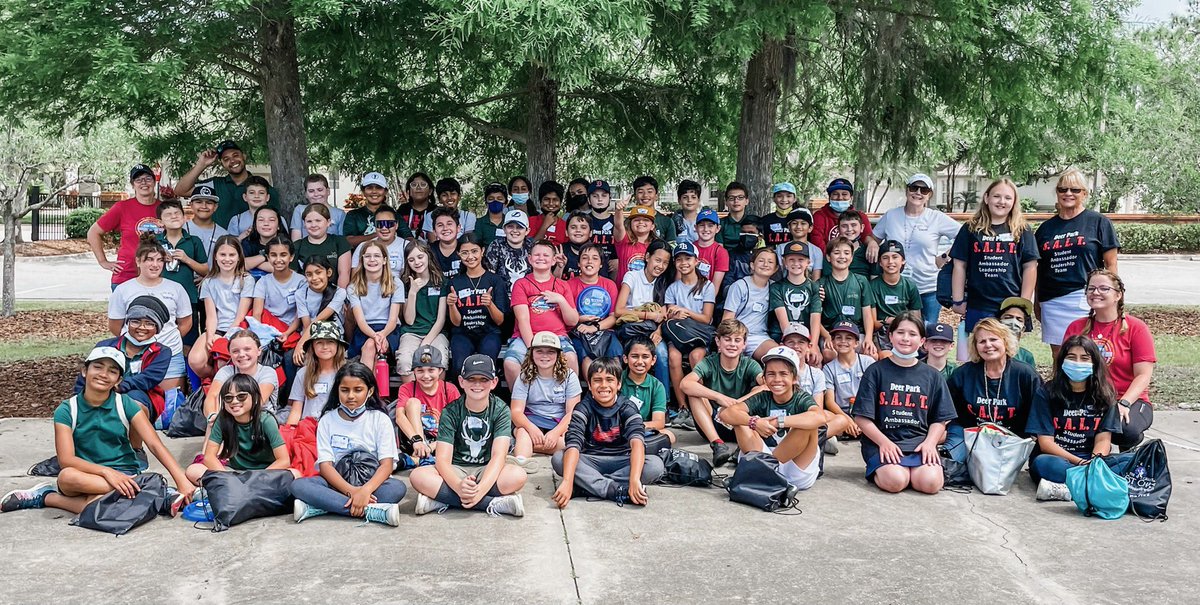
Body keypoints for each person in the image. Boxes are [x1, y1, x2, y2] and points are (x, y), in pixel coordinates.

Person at [2, 346, 194, 516]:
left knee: (98, 504)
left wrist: (181, 480)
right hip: (85, 477)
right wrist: (107, 472)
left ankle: (47, 497)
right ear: (85, 371)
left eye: (112, 371)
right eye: (98, 367)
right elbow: (66, 460)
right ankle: (150, 492)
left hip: (125, 472)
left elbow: (154, 443)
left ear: (118, 379)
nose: (103, 374)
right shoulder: (67, 409)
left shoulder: (125, 404)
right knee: (66, 476)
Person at [719, 346, 851, 491]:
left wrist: (779, 421)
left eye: (783, 374)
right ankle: (767, 474)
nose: (777, 379)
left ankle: (761, 474)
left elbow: (819, 417)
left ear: (794, 378)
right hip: (765, 457)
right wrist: (754, 422)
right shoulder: (762, 397)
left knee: (808, 425)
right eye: (771, 374)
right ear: (764, 378)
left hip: (795, 467)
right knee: (741, 421)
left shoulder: (801, 398)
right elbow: (727, 413)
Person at [409, 354, 526, 517]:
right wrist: (458, 486)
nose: (477, 384)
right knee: (417, 476)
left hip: (486, 468)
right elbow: (442, 460)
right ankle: (492, 503)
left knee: (517, 475)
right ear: (461, 381)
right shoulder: (451, 411)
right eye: (471, 379)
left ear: (494, 383)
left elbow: (498, 456)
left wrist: (481, 488)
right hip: (456, 469)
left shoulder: (500, 410)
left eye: (484, 380)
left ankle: (443, 500)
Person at [291, 362, 406, 526]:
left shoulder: (380, 419)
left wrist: (365, 491)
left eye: (358, 390)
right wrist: (352, 492)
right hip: (337, 484)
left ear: (370, 391)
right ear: (337, 390)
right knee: (299, 485)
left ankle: (323, 507)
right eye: (345, 390)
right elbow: (325, 466)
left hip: (371, 484)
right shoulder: (327, 420)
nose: (351, 396)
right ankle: (372, 511)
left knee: (397, 487)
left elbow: (386, 465)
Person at [853, 312, 956, 494]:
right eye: (900, 332)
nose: (906, 338)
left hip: (919, 443)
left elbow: (940, 419)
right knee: (895, 481)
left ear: (922, 341)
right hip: (883, 442)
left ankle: (914, 471)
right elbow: (861, 417)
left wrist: (930, 444)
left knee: (930, 484)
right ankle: (897, 471)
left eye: (912, 334)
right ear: (891, 336)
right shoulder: (875, 371)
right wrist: (884, 443)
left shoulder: (932, 376)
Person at [551, 358, 665, 508]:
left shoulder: (628, 407)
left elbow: (637, 442)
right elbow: (573, 443)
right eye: (597, 380)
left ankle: (586, 486)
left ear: (618, 384)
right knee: (559, 459)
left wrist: (634, 480)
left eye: (609, 380)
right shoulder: (583, 408)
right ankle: (614, 491)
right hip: (590, 460)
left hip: (622, 460)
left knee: (655, 465)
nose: (603, 385)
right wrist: (566, 482)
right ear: (590, 386)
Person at [1063, 269, 1156, 449]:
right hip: (1088, 399)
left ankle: (1128, 454)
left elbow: (1143, 375)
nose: (1095, 292)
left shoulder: (1136, 328)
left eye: (1103, 288)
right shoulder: (1076, 327)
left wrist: (1124, 403)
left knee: (1125, 429)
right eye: (1091, 289)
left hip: (1128, 398)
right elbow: (1064, 367)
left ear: (1118, 295)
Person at [1025, 335, 1123, 501]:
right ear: (1062, 361)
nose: (1078, 363)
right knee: (1043, 464)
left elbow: (1103, 440)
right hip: (1058, 459)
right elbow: (1046, 443)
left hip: (1091, 458)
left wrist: (1094, 463)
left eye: (1085, 358)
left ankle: (1071, 488)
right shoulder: (1046, 393)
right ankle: (1093, 486)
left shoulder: (1105, 395)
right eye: (1071, 357)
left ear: (1095, 363)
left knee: (1127, 462)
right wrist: (1079, 463)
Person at [1035, 169, 1120, 355]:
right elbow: (1039, 270)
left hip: (1086, 297)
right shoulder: (1045, 229)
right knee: (1059, 356)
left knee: (1089, 353)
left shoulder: (1099, 222)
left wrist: (1113, 296)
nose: (1068, 194)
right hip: (1052, 301)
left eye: (1074, 189)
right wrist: (1037, 302)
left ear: (1084, 193)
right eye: (1063, 189)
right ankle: (1061, 386)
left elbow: (1111, 264)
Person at [78, 296, 173, 461]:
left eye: (149, 323)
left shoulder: (162, 352)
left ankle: (135, 449)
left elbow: (149, 379)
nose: (142, 328)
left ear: (157, 328)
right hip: (103, 392)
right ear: (128, 323)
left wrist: (119, 386)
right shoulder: (105, 346)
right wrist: (78, 398)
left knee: (134, 404)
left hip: (142, 395)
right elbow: (87, 375)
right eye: (136, 321)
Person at [944, 318, 1044, 463]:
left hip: (1012, 438)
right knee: (951, 462)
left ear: (1005, 341)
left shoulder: (1025, 374)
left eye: (993, 339)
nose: (988, 345)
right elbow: (946, 409)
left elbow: (1039, 413)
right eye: (982, 341)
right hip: (969, 435)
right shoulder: (963, 374)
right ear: (976, 346)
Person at [949, 178, 1038, 336]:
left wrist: (1023, 304)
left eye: (1008, 198)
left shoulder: (1022, 230)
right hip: (979, 304)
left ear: (1014, 202)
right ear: (986, 198)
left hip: (1011, 305)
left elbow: (1030, 267)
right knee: (979, 351)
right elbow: (959, 265)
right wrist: (958, 300)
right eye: (997, 196)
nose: (1002, 201)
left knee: (1008, 353)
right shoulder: (970, 229)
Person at [870, 173, 962, 323]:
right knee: (898, 333)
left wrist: (945, 256)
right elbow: (872, 237)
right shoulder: (891, 216)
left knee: (927, 333)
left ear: (929, 195)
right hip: (896, 287)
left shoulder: (936, 217)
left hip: (927, 287)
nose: (918, 193)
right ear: (907, 191)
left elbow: (964, 235)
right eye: (914, 188)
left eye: (924, 190)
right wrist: (873, 243)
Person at [108, 239, 192, 391]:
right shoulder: (123, 290)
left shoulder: (176, 288)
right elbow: (115, 326)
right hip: (133, 356)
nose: (155, 265)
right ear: (138, 261)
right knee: (134, 401)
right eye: (150, 259)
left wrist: (165, 340)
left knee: (171, 404)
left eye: (160, 260)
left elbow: (186, 322)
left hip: (170, 354)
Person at [680, 319, 762, 467]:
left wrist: (737, 404)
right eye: (727, 339)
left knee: (759, 390)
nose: (732, 344)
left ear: (744, 345)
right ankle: (717, 445)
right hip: (714, 420)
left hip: (741, 422)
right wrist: (720, 398)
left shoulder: (750, 364)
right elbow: (685, 383)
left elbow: (769, 386)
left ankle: (742, 448)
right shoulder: (709, 362)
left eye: (737, 340)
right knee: (694, 391)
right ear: (718, 342)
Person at [185, 374, 291, 485]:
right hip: (234, 473)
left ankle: (228, 488)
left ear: (255, 398)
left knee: (294, 474)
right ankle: (235, 487)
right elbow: (209, 457)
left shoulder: (266, 420)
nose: (234, 401)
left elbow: (284, 460)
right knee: (193, 470)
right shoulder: (222, 419)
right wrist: (230, 478)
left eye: (241, 396)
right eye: (228, 398)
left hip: (264, 473)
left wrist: (256, 479)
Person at [503, 240, 580, 389]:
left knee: (570, 358)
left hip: (558, 336)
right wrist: (533, 348)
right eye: (537, 255)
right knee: (510, 364)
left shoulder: (562, 285)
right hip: (526, 336)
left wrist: (561, 300)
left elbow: (572, 321)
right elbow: (523, 319)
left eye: (546, 255)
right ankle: (521, 406)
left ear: (553, 261)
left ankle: (570, 405)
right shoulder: (521, 284)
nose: (541, 258)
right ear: (530, 259)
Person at [510, 332, 584, 460]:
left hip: (559, 423)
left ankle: (527, 447)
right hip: (532, 420)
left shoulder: (569, 376)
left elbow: (572, 413)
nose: (545, 356)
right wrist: (532, 429)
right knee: (522, 432)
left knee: (571, 443)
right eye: (539, 351)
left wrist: (556, 433)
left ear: (558, 355)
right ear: (532, 353)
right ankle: (522, 463)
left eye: (551, 352)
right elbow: (516, 412)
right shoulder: (524, 376)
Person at [189, 235, 254, 379]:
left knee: (222, 360)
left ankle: (224, 386)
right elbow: (211, 316)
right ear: (215, 257)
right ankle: (213, 380)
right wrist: (211, 336)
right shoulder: (209, 282)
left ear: (239, 257)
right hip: (217, 328)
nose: (227, 259)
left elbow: (240, 316)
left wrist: (226, 337)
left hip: (239, 328)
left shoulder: (246, 280)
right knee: (195, 360)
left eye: (232, 255)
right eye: (222, 254)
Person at [175, 140, 280, 228]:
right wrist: (202, 164)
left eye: (235, 155)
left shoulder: (262, 188)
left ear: (244, 156)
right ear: (222, 164)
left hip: (252, 248)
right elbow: (180, 190)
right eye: (226, 159)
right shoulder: (214, 184)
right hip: (221, 248)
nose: (232, 161)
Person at [88, 164, 162, 289]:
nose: (144, 183)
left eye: (148, 178)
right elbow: (93, 232)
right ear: (133, 185)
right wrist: (103, 261)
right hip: (126, 275)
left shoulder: (164, 208)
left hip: (157, 275)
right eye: (138, 180)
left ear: (154, 182)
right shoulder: (122, 207)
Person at [663, 241, 716, 412]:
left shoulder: (707, 285)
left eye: (688, 258)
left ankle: (703, 405)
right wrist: (675, 314)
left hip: (698, 334)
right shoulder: (672, 288)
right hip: (678, 334)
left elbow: (707, 318)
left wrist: (685, 311)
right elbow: (669, 316)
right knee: (673, 357)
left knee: (696, 357)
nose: (684, 263)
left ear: (696, 261)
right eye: (679, 259)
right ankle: (683, 406)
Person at [447, 236, 509, 377]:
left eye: (474, 251)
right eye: (464, 253)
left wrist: (489, 304)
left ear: (482, 251)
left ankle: (488, 397)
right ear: (458, 254)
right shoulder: (454, 283)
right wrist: (451, 305)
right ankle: (462, 398)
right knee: (459, 366)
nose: (470, 256)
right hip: (462, 334)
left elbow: (500, 320)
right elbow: (456, 322)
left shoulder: (495, 280)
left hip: (489, 333)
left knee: (487, 364)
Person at [614, 239, 672, 389]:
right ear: (647, 257)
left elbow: (665, 315)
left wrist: (659, 331)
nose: (660, 266)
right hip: (632, 329)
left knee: (662, 354)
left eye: (665, 263)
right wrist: (649, 315)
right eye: (657, 260)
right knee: (623, 355)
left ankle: (663, 402)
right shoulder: (632, 276)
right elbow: (619, 310)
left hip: (652, 330)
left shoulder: (664, 282)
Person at [394, 345, 461, 465]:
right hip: (415, 440)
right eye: (420, 371)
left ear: (440, 370)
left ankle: (417, 459)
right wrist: (418, 441)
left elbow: (457, 426)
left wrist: (431, 447)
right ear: (413, 371)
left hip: (442, 441)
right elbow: (399, 417)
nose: (426, 376)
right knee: (413, 402)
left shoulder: (449, 389)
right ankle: (423, 455)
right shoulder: (407, 388)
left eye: (431, 370)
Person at [564, 242, 623, 377]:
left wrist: (595, 327)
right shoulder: (569, 285)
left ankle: (613, 392)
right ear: (578, 263)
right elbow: (565, 316)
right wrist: (579, 320)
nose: (589, 261)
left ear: (601, 264)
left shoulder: (609, 285)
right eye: (585, 257)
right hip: (578, 330)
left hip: (604, 329)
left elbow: (613, 316)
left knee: (615, 354)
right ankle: (592, 391)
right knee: (586, 357)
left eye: (595, 258)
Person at [156, 200, 208, 348]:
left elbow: (205, 270)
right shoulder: (155, 242)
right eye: (168, 215)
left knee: (189, 340)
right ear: (160, 222)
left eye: (177, 213)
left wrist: (187, 259)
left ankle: (187, 369)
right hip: (161, 298)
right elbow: (142, 268)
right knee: (162, 336)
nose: (174, 217)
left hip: (188, 297)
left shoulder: (193, 241)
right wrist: (159, 259)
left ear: (185, 217)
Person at [396, 240, 450, 383]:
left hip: (435, 332)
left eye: (420, 257)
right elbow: (409, 320)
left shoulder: (440, 281)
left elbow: (440, 320)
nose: (417, 262)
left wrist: (425, 343)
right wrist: (413, 292)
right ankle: (414, 398)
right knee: (404, 360)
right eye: (411, 259)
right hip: (412, 332)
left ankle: (436, 401)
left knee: (439, 359)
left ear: (428, 256)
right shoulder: (405, 283)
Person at [347, 240, 405, 370]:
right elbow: (360, 321)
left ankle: (368, 387)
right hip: (365, 329)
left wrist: (382, 335)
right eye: (367, 256)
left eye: (377, 256)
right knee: (370, 345)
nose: (372, 260)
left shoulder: (396, 283)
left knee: (370, 346)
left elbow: (393, 319)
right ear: (362, 260)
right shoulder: (353, 287)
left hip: (389, 329)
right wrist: (375, 336)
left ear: (384, 260)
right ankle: (372, 388)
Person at [251, 237, 306, 373]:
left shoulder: (301, 281)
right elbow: (257, 313)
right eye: (273, 255)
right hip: (268, 329)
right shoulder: (263, 282)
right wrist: (260, 336)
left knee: (290, 358)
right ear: (268, 258)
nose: (278, 259)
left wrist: (287, 333)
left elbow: (301, 314)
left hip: (292, 330)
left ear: (291, 257)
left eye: (283, 255)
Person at [818, 237, 877, 361]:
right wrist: (827, 336)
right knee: (830, 353)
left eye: (846, 253)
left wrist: (868, 338)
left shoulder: (861, 281)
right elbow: (815, 317)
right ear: (828, 257)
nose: (842, 256)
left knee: (871, 354)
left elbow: (867, 314)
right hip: (832, 333)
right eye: (836, 253)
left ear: (851, 257)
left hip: (856, 333)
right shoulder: (820, 284)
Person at [205, 329, 280, 423]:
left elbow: (257, 401)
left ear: (259, 351)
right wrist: (212, 416)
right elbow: (212, 396)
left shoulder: (267, 372)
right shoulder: (226, 371)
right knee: (212, 422)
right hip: (231, 417)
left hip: (260, 421)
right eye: (235, 351)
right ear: (230, 354)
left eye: (247, 349)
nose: (241, 354)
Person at [770, 241, 822, 366]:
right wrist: (792, 345)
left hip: (806, 338)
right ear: (784, 262)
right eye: (791, 259)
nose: (796, 263)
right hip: (783, 337)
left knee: (815, 360)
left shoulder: (814, 287)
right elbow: (784, 323)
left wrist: (813, 345)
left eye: (801, 260)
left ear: (808, 262)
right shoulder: (777, 287)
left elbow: (815, 318)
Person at [723, 247, 780, 360]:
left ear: (775, 268)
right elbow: (727, 319)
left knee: (779, 356)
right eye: (761, 260)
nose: (765, 264)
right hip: (737, 334)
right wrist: (730, 340)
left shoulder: (774, 287)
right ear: (752, 265)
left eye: (770, 262)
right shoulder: (739, 285)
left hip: (759, 337)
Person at [287, 321, 347, 426]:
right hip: (308, 428)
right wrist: (290, 430)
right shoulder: (303, 373)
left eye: (330, 342)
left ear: (338, 345)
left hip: (336, 428)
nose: (325, 346)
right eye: (319, 342)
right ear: (312, 347)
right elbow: (296, 410)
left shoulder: (346, 373)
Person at [621, 337, 675, 453]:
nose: (640, 361)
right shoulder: (617, 381)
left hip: (643, 429)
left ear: (653, 360)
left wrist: (636, 426)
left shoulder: (657, 386)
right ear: (625, 358)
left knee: (670, 435)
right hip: (620, 428)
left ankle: (635, 449)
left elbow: (659, 422)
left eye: (645, 357)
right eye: (635, 356)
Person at [868, 241, 922, 354]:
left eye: (895, 257)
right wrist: (886, 322)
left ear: (903, 261)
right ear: (880, 263)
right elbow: (872, 323)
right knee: (886, 356)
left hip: (905, 332)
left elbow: (916, 320)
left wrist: (900, 324)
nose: (890, 262)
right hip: (882, 333)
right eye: (885, 258)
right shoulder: (872, 286)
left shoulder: (910, 286)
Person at [293, 255, 347, 365]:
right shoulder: (300, 294)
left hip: (334, 338)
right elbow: (307, 324)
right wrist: (305, 345)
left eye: (318, 272)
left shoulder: (339, 293)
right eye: (309, 274)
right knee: (293, 358)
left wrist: (300, 344)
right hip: (312, 337)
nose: (314, 278)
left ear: (328, 272)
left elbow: (318, 320)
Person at [822, 321, 875, 416]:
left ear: (856, 343)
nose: (843, 341)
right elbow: (829, 402)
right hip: (842, 413)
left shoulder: (867, 362)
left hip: (865, 410)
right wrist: (847, 419)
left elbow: (875, 393)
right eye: (838, 338)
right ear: (833, 342)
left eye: (848, 338)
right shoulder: (828, 369)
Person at [294, 204, 352, 289]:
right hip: (305, 296)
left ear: (328, 222)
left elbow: (344, 274)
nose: (313, 225)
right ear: (304, 224)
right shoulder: (297, 246)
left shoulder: (340, 242)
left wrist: (339, 298)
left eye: (318, 220)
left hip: (335, 295)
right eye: (309, 221)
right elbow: (293, 276)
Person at [811, 178, 875, 252]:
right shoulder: (819, 216)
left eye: (844, 194)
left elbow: (867, 237)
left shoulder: (861, 216)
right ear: (829, 197)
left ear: (851, 198)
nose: (840, 198)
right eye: (835, 194)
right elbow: (817, 243)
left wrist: (872, 243)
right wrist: (835, 258)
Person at [351, 204, 405, 282]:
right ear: (374, 226)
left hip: (397, 290)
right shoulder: (363, 246)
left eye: (389, 224)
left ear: (396, 225)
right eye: (380, 224)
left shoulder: (406, 246)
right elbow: (355, 279)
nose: (384, 228)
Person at [612, 202, 660, 284]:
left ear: (652, 226)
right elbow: (618, 226)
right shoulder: (624, 241)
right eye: (636, 220)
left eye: (646, 220)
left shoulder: (656, 246)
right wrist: (619, 210)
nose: (641, 222)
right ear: (630, 224)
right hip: (624, 293)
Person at [484, 209, 534, 289]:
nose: (514, 230)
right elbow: (490, 276)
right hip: (501, 295)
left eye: (520, 227)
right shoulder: (496, 246)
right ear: (504, 229)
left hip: (528, 294)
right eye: (510, 226)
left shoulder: (532, 246)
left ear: (527, 231)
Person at [290, 175, 346, 241]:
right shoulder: (300, 210)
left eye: (320, 190)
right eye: (311, 191)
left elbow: (342, 240)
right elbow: (296, 240)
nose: (316, 194)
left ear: (328, 191)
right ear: (306, 194)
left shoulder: (339, 214)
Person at [183, 182, 231, 259]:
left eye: (209, 203)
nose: (204, 206)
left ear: (215, 207)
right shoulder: (181, 229)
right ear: (191, 205)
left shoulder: (223, 235)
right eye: (199, 202)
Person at [773, 208, 823, 280]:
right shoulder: (781, 248)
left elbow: (816, 279)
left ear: (810, 228)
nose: (798, 227)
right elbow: (779, 275)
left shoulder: (816, 251)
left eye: (803, 223)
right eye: (794, 223)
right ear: (789, 227)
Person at [344, 172, 391, 247]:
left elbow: (408, 237)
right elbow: (348, 241)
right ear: (363, 192)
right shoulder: (353, 215)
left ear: (385, 191)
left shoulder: (393, 214)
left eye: (379, 188)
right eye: (369, 188)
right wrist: (376, 235)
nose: (374, 191)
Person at [557, 212, 608, 280]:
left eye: (583, 227)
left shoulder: (598, 253)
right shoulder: (559, 251)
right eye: (573, 227)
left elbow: (603, 283)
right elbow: (552, 283)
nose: (578, 230)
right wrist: (559, 267)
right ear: (566, 232)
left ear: (590, 233)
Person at [242, 206, 290, 279]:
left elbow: (283, 269)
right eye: (261, 220)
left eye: (271, 220)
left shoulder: (286, 245)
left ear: (278, 226)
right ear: (255, 225)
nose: (266, 223)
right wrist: (264, 256)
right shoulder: (247, 243)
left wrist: (253, 263)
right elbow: (240, 265)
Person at [585, 180, 619, 275]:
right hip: (589, 265)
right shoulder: (583, 221)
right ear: (589, 200)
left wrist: (619, 259)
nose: (600, 199)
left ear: (609, 198)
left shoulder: (618, 221)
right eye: (595, 196)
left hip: (612, 268)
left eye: (604, 196)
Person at [631, 175, 677, 242]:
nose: (645, 195)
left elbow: (672, 246)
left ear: (656, 196)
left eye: (649, 192)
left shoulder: (666, 221)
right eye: (640, 192)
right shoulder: (629, 221)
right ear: (635, 196)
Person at [693, 208, 729, 293]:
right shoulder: (690, 248)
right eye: (701, 225)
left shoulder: (721, 252)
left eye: (710, 225)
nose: (706, 229)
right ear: (695, 227)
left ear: (718, 228)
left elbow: (714, 288)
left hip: (708, 298)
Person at [716, 181, 758, 254]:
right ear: (726, 202)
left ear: (747, 201)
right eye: (732, 198)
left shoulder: (754, 223)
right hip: (728, 261)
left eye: (740, 198)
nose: (736, 201)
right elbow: (720, 251)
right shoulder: (720, 224)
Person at [996, 297, 1038, 367]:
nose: (1013, 322)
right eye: (1008, 317)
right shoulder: (990, 349)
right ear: (999, 322)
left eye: (1019, 319)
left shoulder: (1026, 356)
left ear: (1023, 328)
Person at [759, 182, 799, 247]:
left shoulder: (800, 219)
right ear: (774, 199)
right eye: (779, 196)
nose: (784, 199)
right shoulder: (765, 220)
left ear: (794, 199)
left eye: (788, 196)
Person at [528, 180, 569, 245]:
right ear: (540, 202)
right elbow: (530, 247)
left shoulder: (565, 226)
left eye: (555, 200)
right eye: (546, 199)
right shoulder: (531, 221)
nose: (551, 203)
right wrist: (545, 225)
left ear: (560, 203)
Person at [428, 207, 463, 279]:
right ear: (434, 231)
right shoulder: (428, 251)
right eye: (440, 225)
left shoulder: (466, 248)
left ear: (458, 228)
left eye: (449, 224)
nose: (445, 228)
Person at [840, 212, 878, 279]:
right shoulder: (832, 252)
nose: (849, 229)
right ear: (838, 229)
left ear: (862, 228)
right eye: (844, 226)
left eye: (854, 225)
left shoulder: (870, 252)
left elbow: (874, 280)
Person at [398, 172, 436, 237]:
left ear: (430, 191)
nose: (418, 187)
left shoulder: (436, 211)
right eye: (414, 185)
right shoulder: (402, 210)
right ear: (408, 192)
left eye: (423, 184)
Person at [473, 182, 509, 249]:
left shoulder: (510, 222)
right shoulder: (479, 223)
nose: (495, 201)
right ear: (486, 203)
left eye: (499, 199)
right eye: (491, 199)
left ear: (506, 203)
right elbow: (476, 246)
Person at [674, 179, 703, 244]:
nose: (689, 200)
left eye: (693, 197)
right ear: (679, 200)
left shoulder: (704, 220)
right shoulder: (673, 222)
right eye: (685, 197)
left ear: (698, 200)